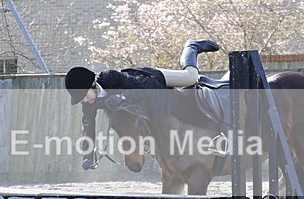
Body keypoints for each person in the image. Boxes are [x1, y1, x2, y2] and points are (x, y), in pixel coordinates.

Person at [64, 39, 220, 169]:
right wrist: (88, 157)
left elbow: (141, 89)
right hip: (148, 106)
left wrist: (122, 97)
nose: (84, 101)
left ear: (92, 85)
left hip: (151, 81)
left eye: (84, 96)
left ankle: (192, 46)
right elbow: (88, 129)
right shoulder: (89, 104)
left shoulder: (110, 77)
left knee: (191, 78)